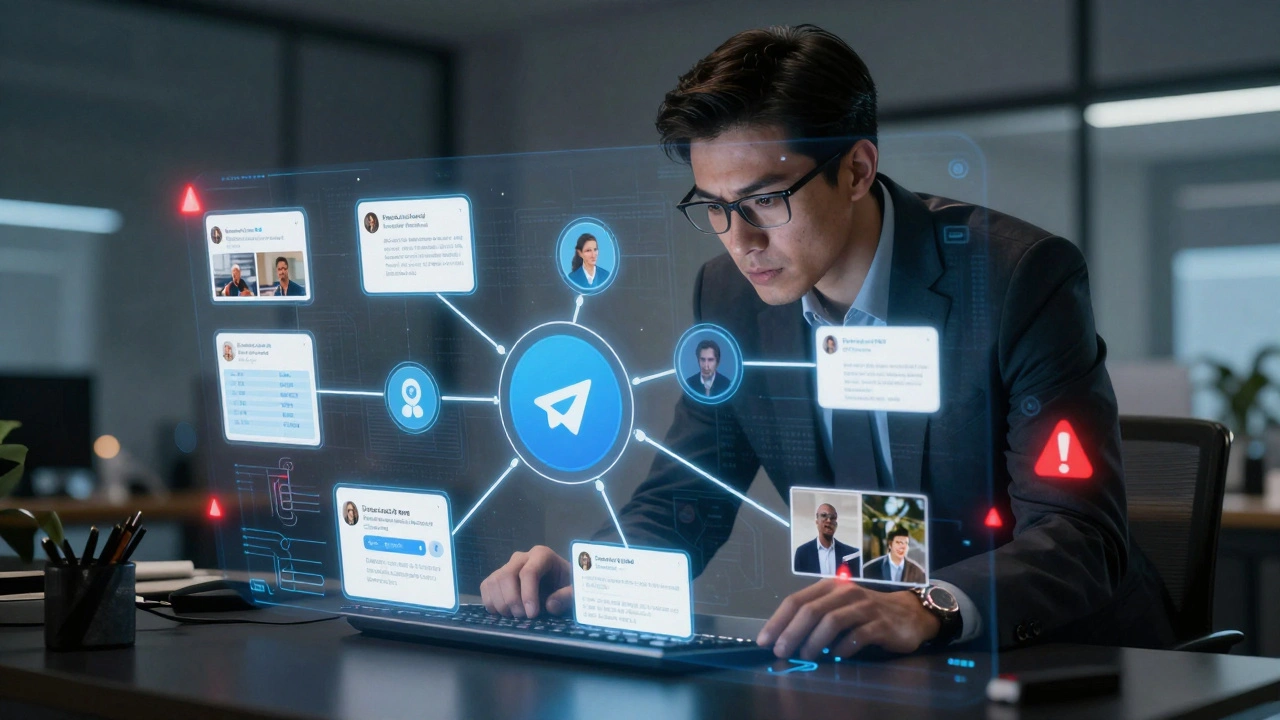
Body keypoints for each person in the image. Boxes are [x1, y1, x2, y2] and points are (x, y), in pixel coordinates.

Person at [478, 25, 1173, 661]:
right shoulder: (728, 297)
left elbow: (1080, 536)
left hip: (1065, 660)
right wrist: (594, 576)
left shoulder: (1016, 278)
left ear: (857, 170)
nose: (742, 241)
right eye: (715, 207)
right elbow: (688, 495)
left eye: (765, 200)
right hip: (880, 667)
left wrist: (926, 606)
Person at [792, 503, 860, 577]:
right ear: (817, 522)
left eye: (832, 517)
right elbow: (797, 582)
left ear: (836, 524)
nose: (829, 520)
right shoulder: (802, 553)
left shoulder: (851, 554)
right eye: (824, 515)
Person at [862, 527, 926, 584]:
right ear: (890, 544)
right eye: (898, 543)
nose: (902, 547)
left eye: (905, 543)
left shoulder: (918, 572)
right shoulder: (870, 569)